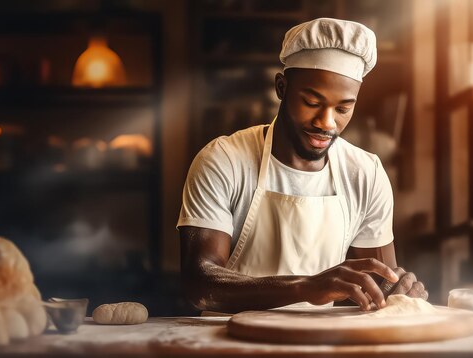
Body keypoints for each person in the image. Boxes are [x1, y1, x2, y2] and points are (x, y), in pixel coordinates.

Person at [177, 18, 428, 314]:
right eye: (311, 101)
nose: (327, 122)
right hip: (228, 340)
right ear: (281, 87)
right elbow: (200, 283)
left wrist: (398, 289)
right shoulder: (224, 160)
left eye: (343, 108)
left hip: (318, 343)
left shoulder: (365, 174)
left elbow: (380, 289)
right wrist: (307, 287)